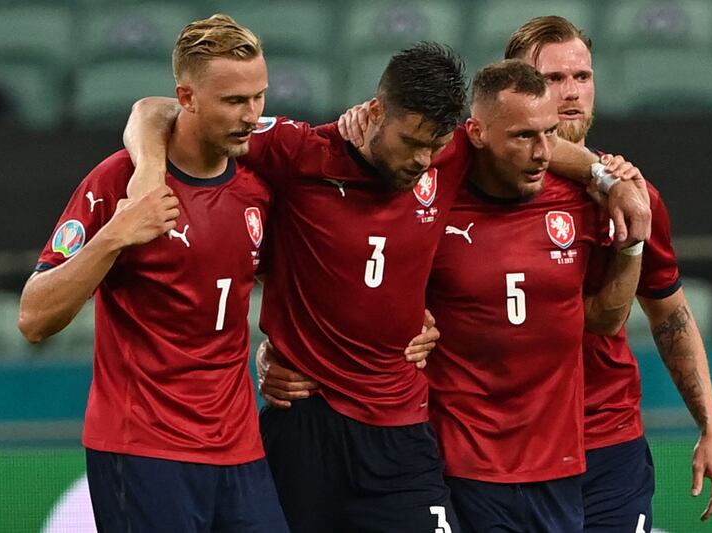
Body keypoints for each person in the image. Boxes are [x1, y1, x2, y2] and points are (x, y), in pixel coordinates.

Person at [123, 42, 651, 533]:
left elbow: (535, 147)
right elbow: (158, 110)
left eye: (435, 146)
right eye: (412, 142)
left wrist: (609, 181)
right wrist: (149, 170)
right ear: (376, 113)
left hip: (402, 428)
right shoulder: (299, 149)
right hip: (307, 416)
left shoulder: (451, 154)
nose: (423, 160)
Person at [18, 15, 290, 532]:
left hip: (239, 446)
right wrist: (117, 234)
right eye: (234, 101)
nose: (252, 115)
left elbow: (291, 275)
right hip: (142, 447)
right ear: (186, 98)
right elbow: (34, 317)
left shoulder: (260, 183)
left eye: (259, 97)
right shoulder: (118, 179)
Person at [506, 15, 712, 529]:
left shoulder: (634, 197)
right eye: (552, 79)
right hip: (502, 448)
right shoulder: (469, 190)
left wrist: (710, 427)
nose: (571, 93)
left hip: (608, 442)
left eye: (581, 77)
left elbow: (670, 315)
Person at [426, 59, 645, 533]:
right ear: (476, 133)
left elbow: (605, 321)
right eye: (524, 136)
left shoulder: (584, 199)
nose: (543, 152)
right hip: (460, 466)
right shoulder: (432, 202)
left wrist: (633, 244)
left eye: (549, 133)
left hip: (559, 467)